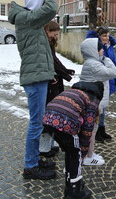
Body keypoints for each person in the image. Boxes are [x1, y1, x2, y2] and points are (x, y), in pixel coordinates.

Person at [8, 0, 58, 180]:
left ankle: (35, 159)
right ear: (37, 3)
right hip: (34, 79)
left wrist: (49, 73)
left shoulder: (31, 21)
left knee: (38, 122)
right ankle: (30, 166)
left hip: (39, 76)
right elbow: (52, 7)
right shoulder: (27, 19)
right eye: (41, 1)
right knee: (36, 124)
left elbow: (42, 52)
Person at [42, 81, 104, 199]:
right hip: (65, 124)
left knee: (70, 151)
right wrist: (84, 152)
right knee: (76, 154)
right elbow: (87, 130)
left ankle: (70, 182)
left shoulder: (74, 91)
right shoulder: (93, 101)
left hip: (47, 119)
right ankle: (74, 191)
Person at [39, 20, 75, 159]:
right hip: (48, 86)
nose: (56, 37)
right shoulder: (42, 45)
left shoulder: (49, 43)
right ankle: (43, 149)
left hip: (54, 84)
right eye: (54, 34)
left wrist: (65, 71)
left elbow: (55, 60)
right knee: (47, 116)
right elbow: (49, 63)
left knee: (53, 114)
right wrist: (63, 74)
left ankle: (49, 145)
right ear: (47, 31)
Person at [79, 38, 116, 166]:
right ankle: (87, 156)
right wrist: (106, 59)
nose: (102, 51)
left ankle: (89, 153)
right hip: (93, 102)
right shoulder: (93, 64)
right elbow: (112, 73)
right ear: (94, 51)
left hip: (94, 101)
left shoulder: (92, 62)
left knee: (92, 129)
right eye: (100, 49)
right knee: (90, 129)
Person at [85, 26, 116, 142]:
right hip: (99, 79)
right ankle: (94, 131)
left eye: (108, 35)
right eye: (104, 35)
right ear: (99, 36)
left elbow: (114, 63)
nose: (107, 38)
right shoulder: (96, 47)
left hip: (109, 79)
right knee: (97, 107)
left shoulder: (109, 46)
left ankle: (101, 129)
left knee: (103, 107)